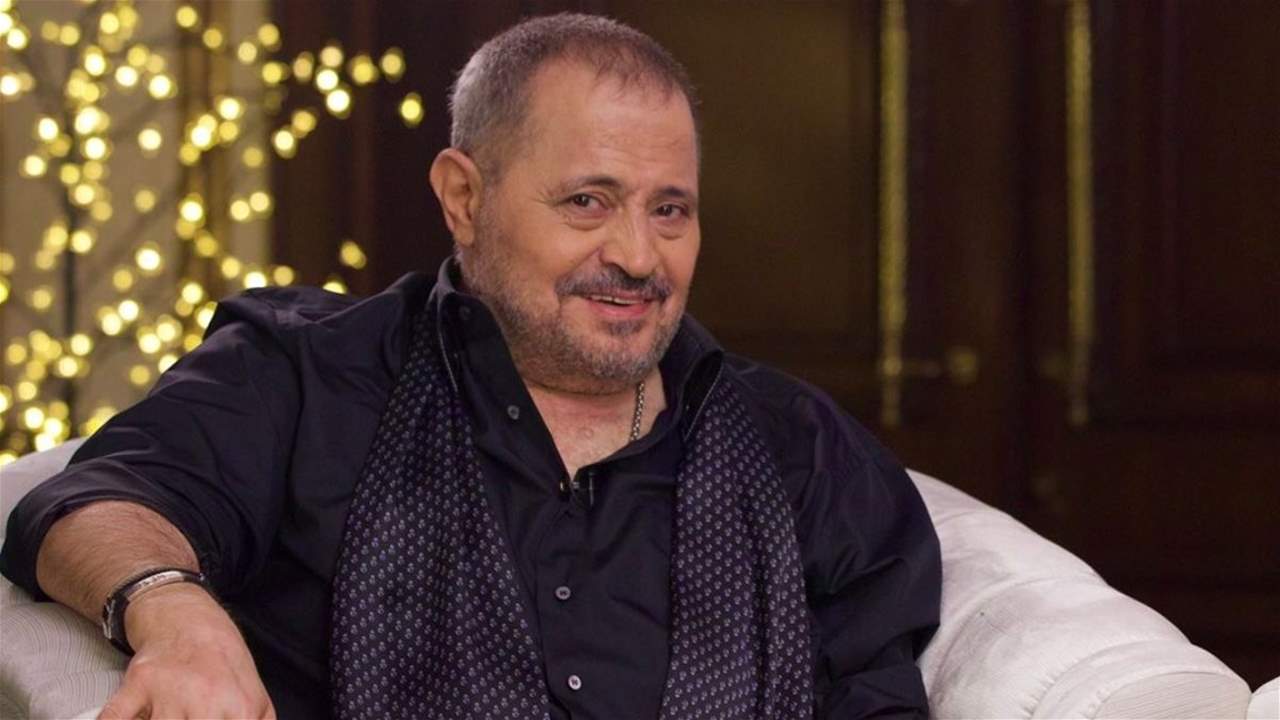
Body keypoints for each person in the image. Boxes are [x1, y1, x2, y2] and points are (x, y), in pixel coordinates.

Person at [0, 13, 940, 720]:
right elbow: (89, 505)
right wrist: (172, 610)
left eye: (669, 210)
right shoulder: (303, 375)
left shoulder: (800, 450)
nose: (638, 256)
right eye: (587, 201)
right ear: (463, 197)